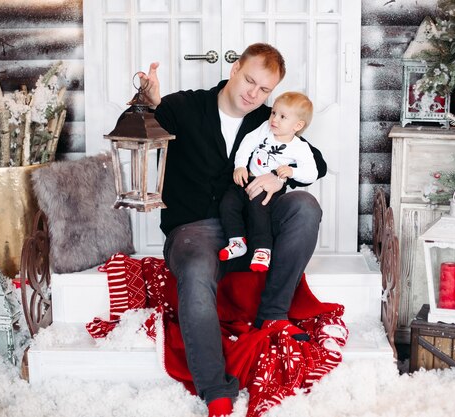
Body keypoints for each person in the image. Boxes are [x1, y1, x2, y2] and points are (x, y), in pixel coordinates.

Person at [138, 43, 327, 417]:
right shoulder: (183, 107)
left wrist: (278, 175)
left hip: (251, 224)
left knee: (305, 207)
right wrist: (147, 104)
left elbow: (315, 161)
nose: (253, 95)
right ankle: (215, 391)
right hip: (194, 230)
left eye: (264, 90)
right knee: (193, 269)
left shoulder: (268, 121)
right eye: (249, 81)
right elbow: (140, 133)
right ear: (236, 68)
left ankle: (273, 315)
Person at [218, 91, 317, 273]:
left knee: (259, 209)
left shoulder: (300, 147)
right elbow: (247, 143)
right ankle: (237, 241)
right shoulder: (265, 129)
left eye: (282, 117)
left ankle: (263, 249)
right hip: (249, 178)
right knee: (228, 203)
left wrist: (292, 172)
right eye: (273, 113)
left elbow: (312, 172)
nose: (274, 119)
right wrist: (240, 166)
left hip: (269, 189)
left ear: (298, 125)